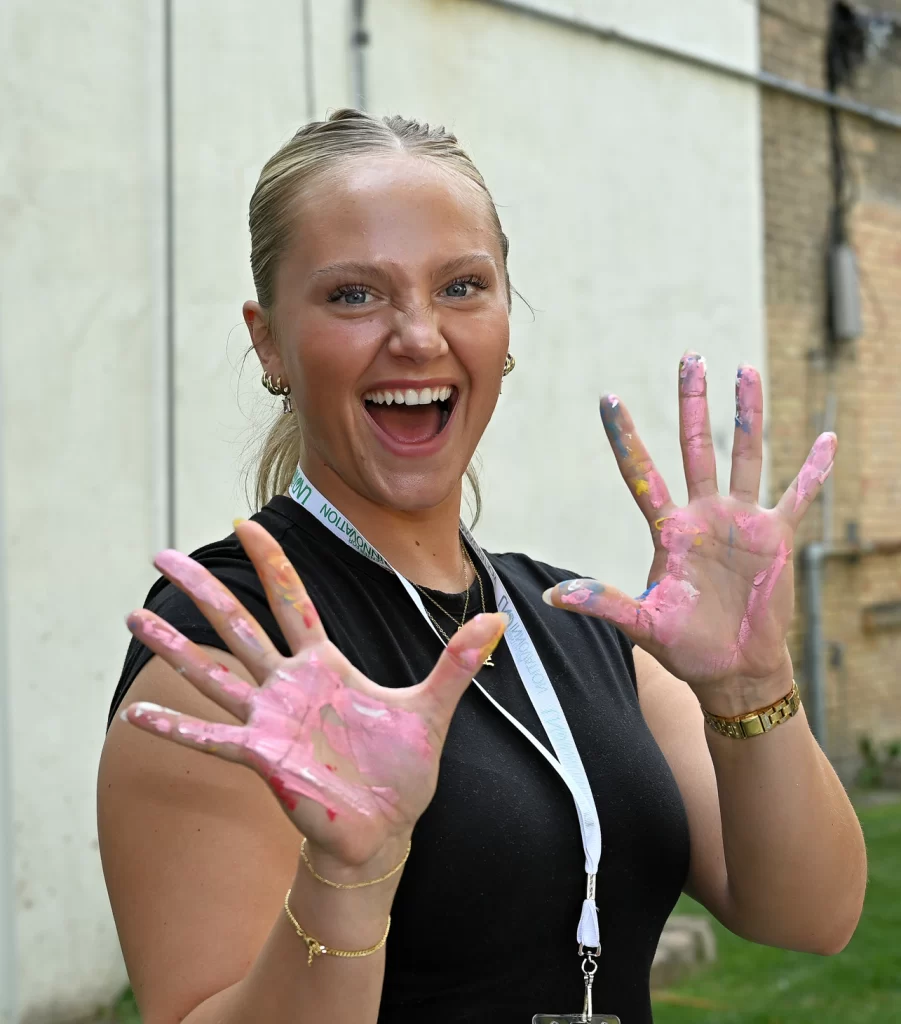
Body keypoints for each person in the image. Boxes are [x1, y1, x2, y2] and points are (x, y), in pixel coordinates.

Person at [98, 109, 866, 1024]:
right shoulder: (230, 658)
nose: (419, 336)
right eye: (353, 295)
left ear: (505, 323)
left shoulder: (577, 623)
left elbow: (810, 913)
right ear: (268, 342)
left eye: (461, 287)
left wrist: (752, 684)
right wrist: (348, 874)